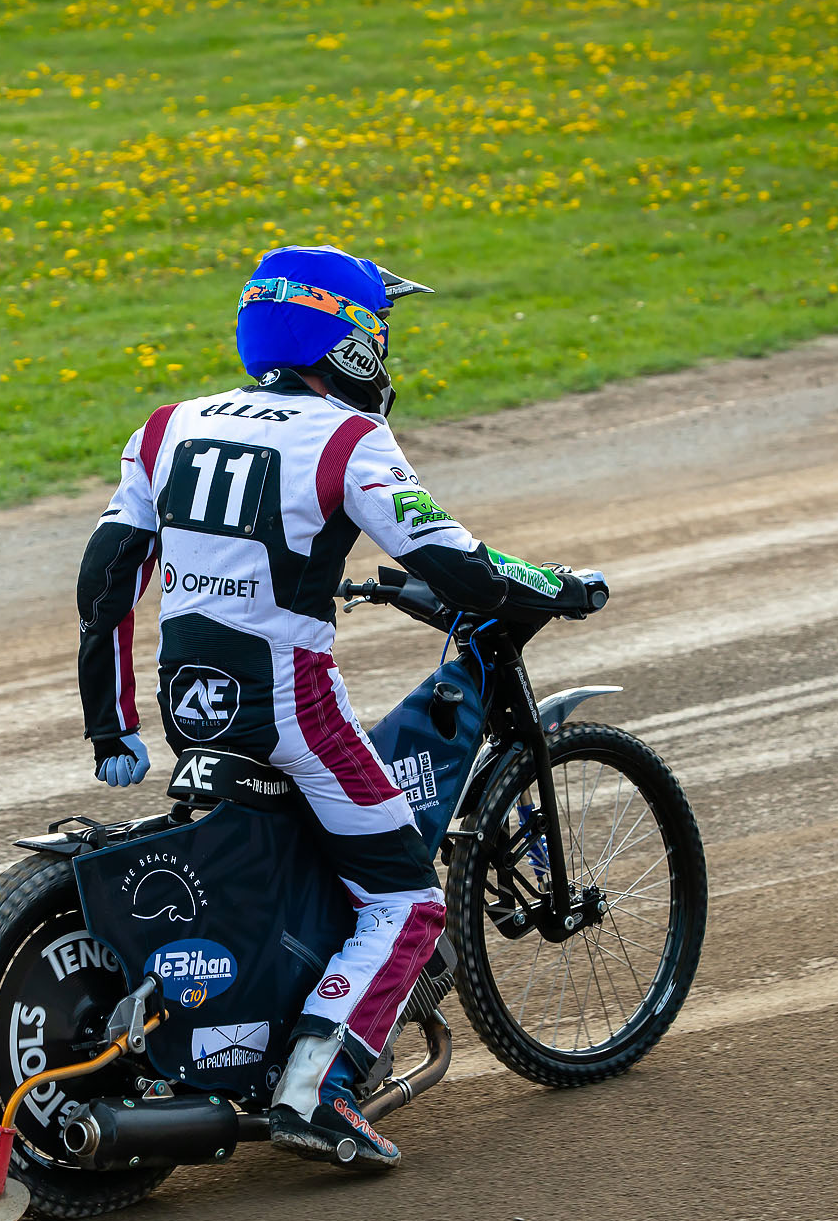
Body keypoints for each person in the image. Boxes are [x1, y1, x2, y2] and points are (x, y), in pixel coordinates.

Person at [75, 246, 574, 1171]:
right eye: (380, 331)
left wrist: (111, 723)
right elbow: (454, 565)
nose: (386, 352)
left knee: (311, 844)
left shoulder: (166, 425)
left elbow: (105, 581)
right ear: (347, 339)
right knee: (408, 897)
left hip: (189, 701)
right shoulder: (348, 440)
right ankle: (319, 1085)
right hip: (290, 706)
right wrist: (552, 585)